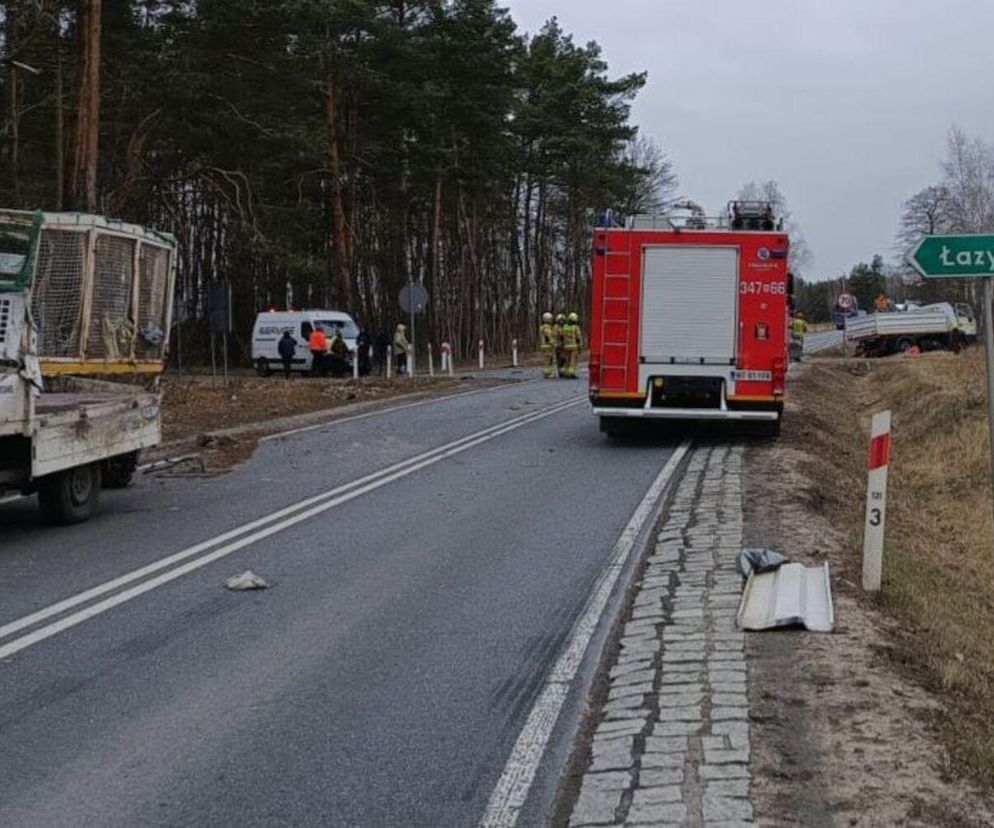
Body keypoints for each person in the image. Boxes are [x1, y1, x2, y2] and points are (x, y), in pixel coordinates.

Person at [561, 312, 583, 379]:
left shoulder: (564, 327)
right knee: (573, 361)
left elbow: (562, 336)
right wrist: (580, 346)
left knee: (567, 360)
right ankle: (571, 373)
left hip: (566, 346)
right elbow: (578, 337)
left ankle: (566, 372)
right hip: (573, 347)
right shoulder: (575, 327)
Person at [539, 312, 557, 379]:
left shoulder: (543, 327)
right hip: (548, 346)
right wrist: (554, 343)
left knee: (547, 360)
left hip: (544, 346)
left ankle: (547, 373)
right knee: (548, 360)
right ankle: (548, 373)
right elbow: (549, 336)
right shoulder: (546, 327)